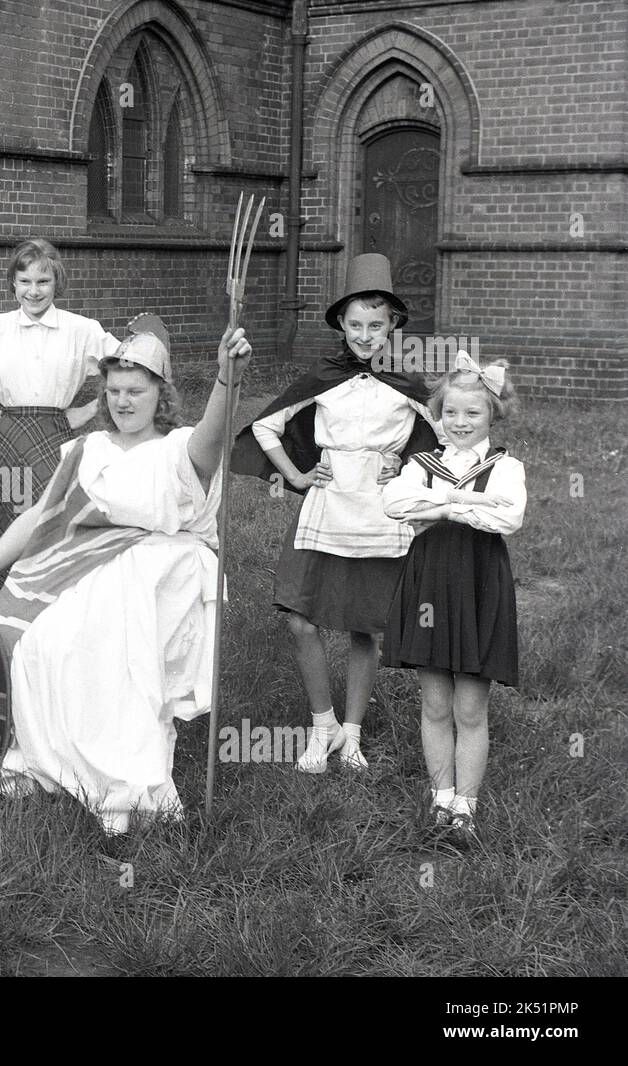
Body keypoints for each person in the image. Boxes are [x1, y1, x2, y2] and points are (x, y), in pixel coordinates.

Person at [0, 318, 253, 835]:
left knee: (109, 656)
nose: (123, 401)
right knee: (40, 646)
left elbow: (213, 438)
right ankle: (52, 765)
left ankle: (121, 786)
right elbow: (37, 515)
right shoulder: (87, 450)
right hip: (89, 570)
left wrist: (226, 381)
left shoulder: (179, 448)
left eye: (136, 391)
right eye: (115, 391)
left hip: (161, 577)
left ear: (160, 394)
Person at [230, 253, 443, 772]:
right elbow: (264, 428)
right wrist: (298, 476)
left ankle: (351, 734)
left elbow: (447, 445)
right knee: (301, 618)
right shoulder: (323, 377)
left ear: (393, 324)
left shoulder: (409, 384)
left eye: (376, 324)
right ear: (341, 326)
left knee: (365, 628)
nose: (366, 336)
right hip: (327, 509)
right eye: (355, 325)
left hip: (380, 515)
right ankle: (320, 723)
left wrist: (412, 474)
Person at [0, 238, 122, 594]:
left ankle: (55, 597)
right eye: (25, 281)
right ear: (12, 283)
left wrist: (93, 408)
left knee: (53, 517)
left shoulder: (83, 329)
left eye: (43, 281)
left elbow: (126, 364)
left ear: (57, 282)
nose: (34, 291)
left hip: (56, 436)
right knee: (2, 514)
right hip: (9, 435)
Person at [381, 353, 524, 847]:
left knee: (471, 705)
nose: (460, 423)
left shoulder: (506, 467)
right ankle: (440, 797)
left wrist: (442, 509)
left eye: (473, 414)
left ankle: (467, 806)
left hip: (479, 581)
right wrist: (462, 503)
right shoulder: (421, 464)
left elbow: (507, 517)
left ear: (492, 416)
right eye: (451, 413)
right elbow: (395, 504)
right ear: (438, 415)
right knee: (435, 699)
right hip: (429, 581)